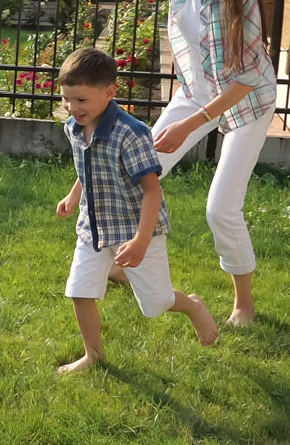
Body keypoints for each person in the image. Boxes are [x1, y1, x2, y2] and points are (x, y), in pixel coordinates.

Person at [138, 0, 278, 328]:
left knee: (220, 209)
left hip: (246, 101)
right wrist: (187, 105)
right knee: (139, 171)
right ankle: (124, 262)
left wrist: (191, 125)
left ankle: (244, 304)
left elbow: (248, 78)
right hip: (194, 94)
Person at [56, 48, 218, 373]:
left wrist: (142, 241)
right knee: (80, 292)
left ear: (110, 92)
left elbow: (152, 190)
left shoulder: (131, 133)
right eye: (66, 100)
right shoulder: (74, 128)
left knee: (156, 304)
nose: (73, 109)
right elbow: (87, 165)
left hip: (136, 229)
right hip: (94, 227)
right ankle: (93, 355)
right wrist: (74, 196)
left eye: (81, 101)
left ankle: (192, 305)